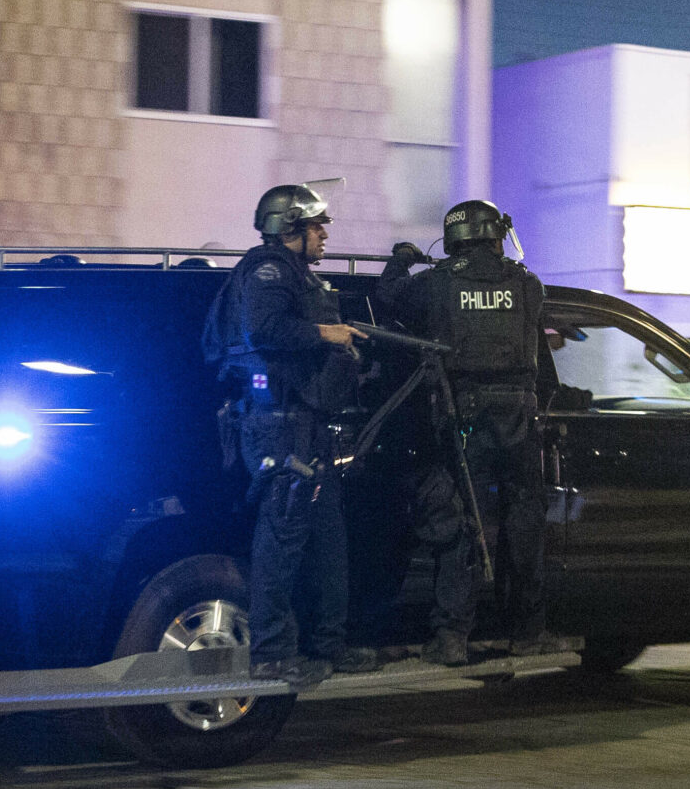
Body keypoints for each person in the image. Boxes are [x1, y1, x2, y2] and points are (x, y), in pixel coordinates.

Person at [378, 200, 559, 667]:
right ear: (496, 234)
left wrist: (400, 258)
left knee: (466, 524)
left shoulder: (439, 283)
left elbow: (391, 297)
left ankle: (453, 635)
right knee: (524, 524)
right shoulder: (527, 284)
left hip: (465, 416)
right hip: (521, 417)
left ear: (455, 237)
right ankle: (527, 630)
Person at [205, 184, 362, 685]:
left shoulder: (296, 275)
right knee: (282, 539)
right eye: (317, 225)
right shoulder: (268, 270)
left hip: (307, 425)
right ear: (290, 227)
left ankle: (329, 646)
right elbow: (262, 329)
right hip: (278, 428)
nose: (324, 234)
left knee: (328, 539)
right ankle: (272, 652)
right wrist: (326, 334)